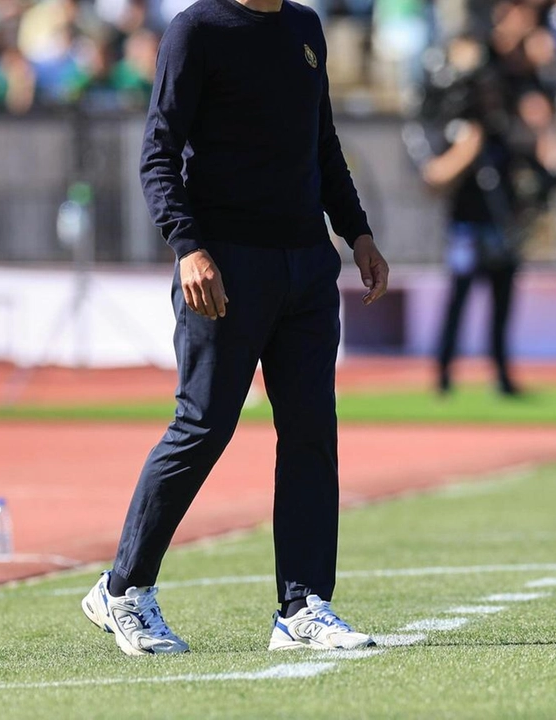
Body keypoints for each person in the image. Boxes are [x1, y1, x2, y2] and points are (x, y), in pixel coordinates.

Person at [80, 0, 390, 656]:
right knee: (203, 425)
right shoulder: (197, 30)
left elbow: (322, 142)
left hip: (306, 264)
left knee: (310, 431)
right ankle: (122, 590)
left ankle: (302, 605)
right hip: (223, 264)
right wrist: (187, 245)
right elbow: (159, 150)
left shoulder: (305, 28)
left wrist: (356, 230)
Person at [405, 35, 523, 396]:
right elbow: (434, 177)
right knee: (458, 300)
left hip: (499, 223)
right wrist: (467, 150)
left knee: (501, 304)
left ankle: (502, 375)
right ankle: (443, 373)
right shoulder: (452, 127)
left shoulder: (499, 128)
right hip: (466, 225)